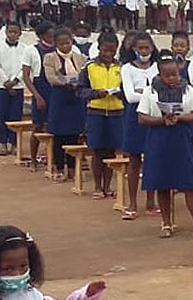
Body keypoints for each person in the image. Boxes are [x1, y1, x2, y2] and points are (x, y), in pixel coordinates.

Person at [137, 53, 193, 239]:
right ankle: (166, 223)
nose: (172, 78)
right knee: (163, 183)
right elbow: (142, 118)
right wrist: (162, 120)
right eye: (167, 75)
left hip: (181, 139)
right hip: (158, 140)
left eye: (175, 74)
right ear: (159, 75)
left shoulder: (187, 90)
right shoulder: (150, 91)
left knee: (189, 184)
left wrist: (180, 117)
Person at [77, 31, 122, 198]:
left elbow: (128, 90)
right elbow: (80, 90)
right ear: (99, 48)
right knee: (96, 150)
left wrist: (120, 94)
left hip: (116, 112)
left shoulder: (122, 67)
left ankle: (107, 186)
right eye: (105, 50)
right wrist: (95, 93)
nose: (108, 54)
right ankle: (97, 186)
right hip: (96, 112)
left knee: (111, 150)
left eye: (112, 50)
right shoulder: (89, 67)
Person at [119, 32, 158, 219]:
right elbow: (130, 96)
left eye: (147, 48)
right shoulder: (127, 68)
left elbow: (162, 92)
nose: (144, 51)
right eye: (140, 48)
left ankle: (151, 201)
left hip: (154, 115)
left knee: (152, 159)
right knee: (134, 160)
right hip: (134, 117)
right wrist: (150, 94)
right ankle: (132, 202)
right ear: (133, 49)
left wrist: (142, 92)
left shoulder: (157, 67)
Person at [43, 28, 86, 183]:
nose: (65, 46)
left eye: (67, 43)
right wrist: (65, 82)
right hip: (59, 97)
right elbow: (51, 78)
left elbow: (84, 75)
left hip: (76, 98)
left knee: (74, 135)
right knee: (59, 135)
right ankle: (59, 168)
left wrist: (76, 82)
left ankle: (73, 169)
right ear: (55, 44)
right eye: (61, 44)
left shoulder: (80, 58)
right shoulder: (49, 58)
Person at [0, 21, 32, 156]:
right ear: (6, 32)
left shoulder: (25, 49)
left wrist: (15, 81)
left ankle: (14, 143)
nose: (13, 34)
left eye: (15, 32)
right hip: (1, 85)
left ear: (20, 33)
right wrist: (6, 82)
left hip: (18, 85)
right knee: (2, 114)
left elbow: (24, 67)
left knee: (15, 115)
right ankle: (2, 142)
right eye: (10, 32)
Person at [26, 21, 54, 168]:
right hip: (40, 89)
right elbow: (26, 76)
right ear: (42, 35)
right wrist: (37, 97)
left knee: (54, 127)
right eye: (49, 35)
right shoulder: (31, 50)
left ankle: (52, 159)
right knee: (38, 126)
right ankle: (33, 159)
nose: (52, 38)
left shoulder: (58, 49)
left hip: (54, 90)